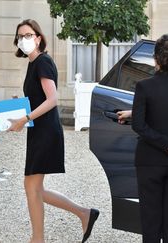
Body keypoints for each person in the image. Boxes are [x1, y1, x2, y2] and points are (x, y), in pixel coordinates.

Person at [7, 19, 99, 243]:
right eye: (20, 36)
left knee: (32, 186)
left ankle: (38, 239)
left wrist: (25, 118)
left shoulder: (43, 61)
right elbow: (40, 97)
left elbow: (53, 99)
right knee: (33, 187)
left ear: (38, 38)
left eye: (28, 35)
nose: (24, 40)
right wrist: (21, 105)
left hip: (46, 131)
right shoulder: (33, 63)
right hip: (39, 130)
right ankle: (83, 214)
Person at [117, 34, 168, 243]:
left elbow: (139, 125)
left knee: (150, 221)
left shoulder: (145, 87)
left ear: (156, 58)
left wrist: (167, 144)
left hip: (150, 161)